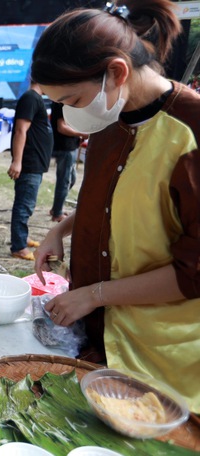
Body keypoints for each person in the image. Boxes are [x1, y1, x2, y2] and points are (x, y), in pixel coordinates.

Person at [31, 0, 200, 413]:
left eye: (72, 98)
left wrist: (95, 295)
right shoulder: (112, 122)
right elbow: (114, 200)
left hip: (165, 358)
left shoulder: (190, 133)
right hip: (101, 338)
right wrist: (62, 229)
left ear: (117, 72)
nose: (68, 114)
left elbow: (194, 270)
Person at [7, 81, 53, 261]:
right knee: (24, 205)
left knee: (27, 203)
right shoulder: (30, 98)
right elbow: (20, 130)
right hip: (29, 163)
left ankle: (22, 236)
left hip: (35, 163)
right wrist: (17, 162)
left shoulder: (35, 99)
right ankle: (18, 246)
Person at [49, 101, 84, 222]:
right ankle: (57, 213)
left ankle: (56, 207)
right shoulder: (61, 103)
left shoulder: (67, 102)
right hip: (64, 147)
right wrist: (81, 133)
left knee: (70, 179)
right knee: (65, 180)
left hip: (70, 146)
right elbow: (61, 127)